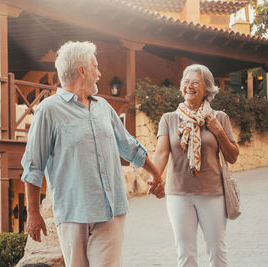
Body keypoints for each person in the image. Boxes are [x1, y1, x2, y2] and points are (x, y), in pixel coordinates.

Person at [21, 41, 164, 267]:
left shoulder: (103, 107)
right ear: (82, 70)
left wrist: (156, 174)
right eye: (95, 67)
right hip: (72, 212)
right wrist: (33, 213)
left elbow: (130, 146)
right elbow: (33, 165)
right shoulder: (48, 110)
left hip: (111, 209)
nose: (99, 74)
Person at [152, 64, 239, 267]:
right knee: (185, 255)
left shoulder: (219, 118)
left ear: (207, 89)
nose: (188, 86)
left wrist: (218, 132)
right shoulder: (169, 119)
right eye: (185, 81)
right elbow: (162, 152)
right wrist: (154, 176)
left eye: (195, 82)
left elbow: (233, 156)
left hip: (212, 194)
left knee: (217, 252)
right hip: (178, 195)